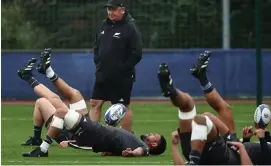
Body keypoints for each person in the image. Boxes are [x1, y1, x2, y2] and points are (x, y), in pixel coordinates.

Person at [19, 59, 166, 157]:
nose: (151, 133)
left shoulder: (142, 147)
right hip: (92, 128)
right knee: (72, 95)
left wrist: (133, 153)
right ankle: (42, 72)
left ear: (153, 144)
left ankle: (43, 149)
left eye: (155, 136)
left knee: (52, 105)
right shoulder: (132, 138)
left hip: (84, 132)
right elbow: (109, 147)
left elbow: (141, 151)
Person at [158, 51, 271, 165]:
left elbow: (266, 161)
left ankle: (201, 78)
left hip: (228, 154)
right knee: (191, 107)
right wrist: (246, 140)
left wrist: (255, 141)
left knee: (206, 117)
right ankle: (173, 91)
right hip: (216, 149)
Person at [90, 0, 143, 132]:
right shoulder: (104, 24)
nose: (110, 12)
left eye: (113, 9)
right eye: (109, 9)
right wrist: (98, 63)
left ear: (122, 10)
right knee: (95, 103)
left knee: (122, 106)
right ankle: (91, 137)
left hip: (122, 76)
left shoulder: (130, 27)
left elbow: (137, 53)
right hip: (102, 73)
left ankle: (126, 138)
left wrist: (123, 68)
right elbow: (97, 47)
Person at [19, 49, 88, 146]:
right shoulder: (110, 132)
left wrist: (69, 143)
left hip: (71, 135)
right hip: (84, 127)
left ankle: (29, 77)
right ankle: (41, 73)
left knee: (42, 101)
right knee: (75, 94)